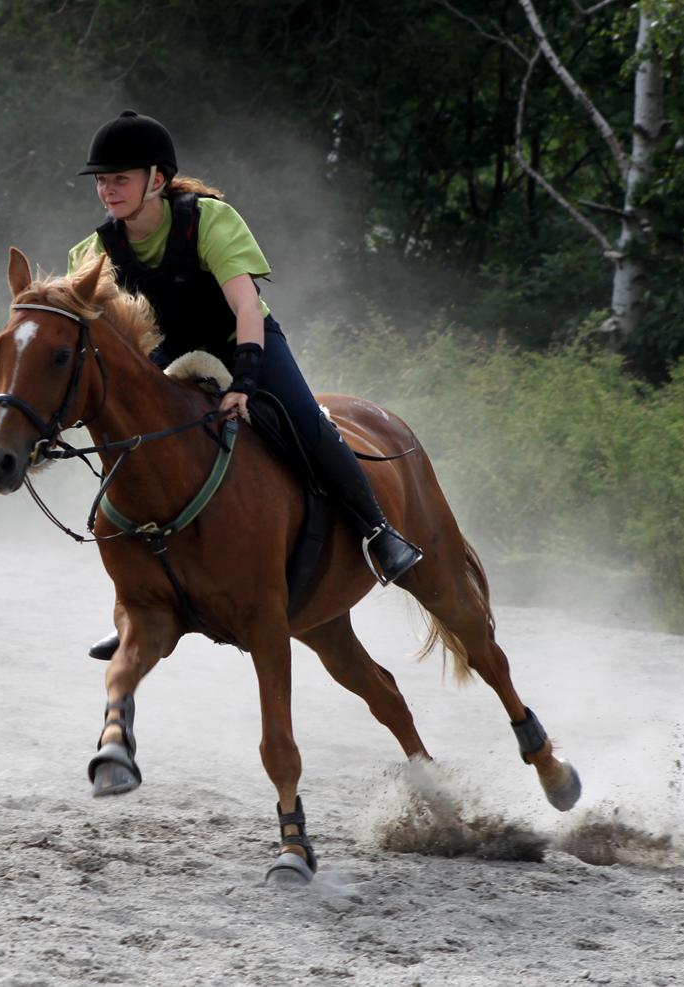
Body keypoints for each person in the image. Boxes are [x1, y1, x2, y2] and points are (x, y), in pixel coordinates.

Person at [68, 110, 422, 660]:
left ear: (156, 179)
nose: (107, 190)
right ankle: (139, 606)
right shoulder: (90, 256)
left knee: (305, 421)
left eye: (120, 178)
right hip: (170, 353)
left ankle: (379, 532)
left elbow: (245, 305)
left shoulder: (210, 220)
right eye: (101, 180)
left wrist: (247, 381)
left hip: (244, 338)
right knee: (136, 449)